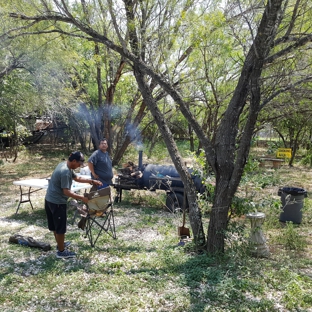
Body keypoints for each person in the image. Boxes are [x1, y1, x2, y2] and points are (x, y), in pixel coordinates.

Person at [45, 151, 102, 259]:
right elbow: (66, 192)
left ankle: (59, 244)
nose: (79, 166)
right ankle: (61, 252)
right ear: (74, 161)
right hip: (57, 202)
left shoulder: (64, 164)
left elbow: (76, 178)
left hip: (49, 199)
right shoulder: (65, 172)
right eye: (79, 164)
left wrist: (91, 181)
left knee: (55, 226)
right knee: (60, 228)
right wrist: (82, 198)